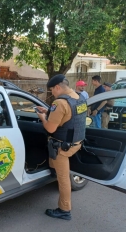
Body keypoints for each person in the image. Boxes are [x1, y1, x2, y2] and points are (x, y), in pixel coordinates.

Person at [36, 74, 87, 221]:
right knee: (59, 171)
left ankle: (64, 210)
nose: (52, 93)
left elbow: (50, 129)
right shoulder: (79, 97)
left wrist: (42, 118)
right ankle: (53, 176)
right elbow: (69, 116)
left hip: (62, 148)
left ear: (57, 87)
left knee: (64, 178)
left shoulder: (59, 103)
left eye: (52, 89)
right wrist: (48, 112)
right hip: (76, 143)